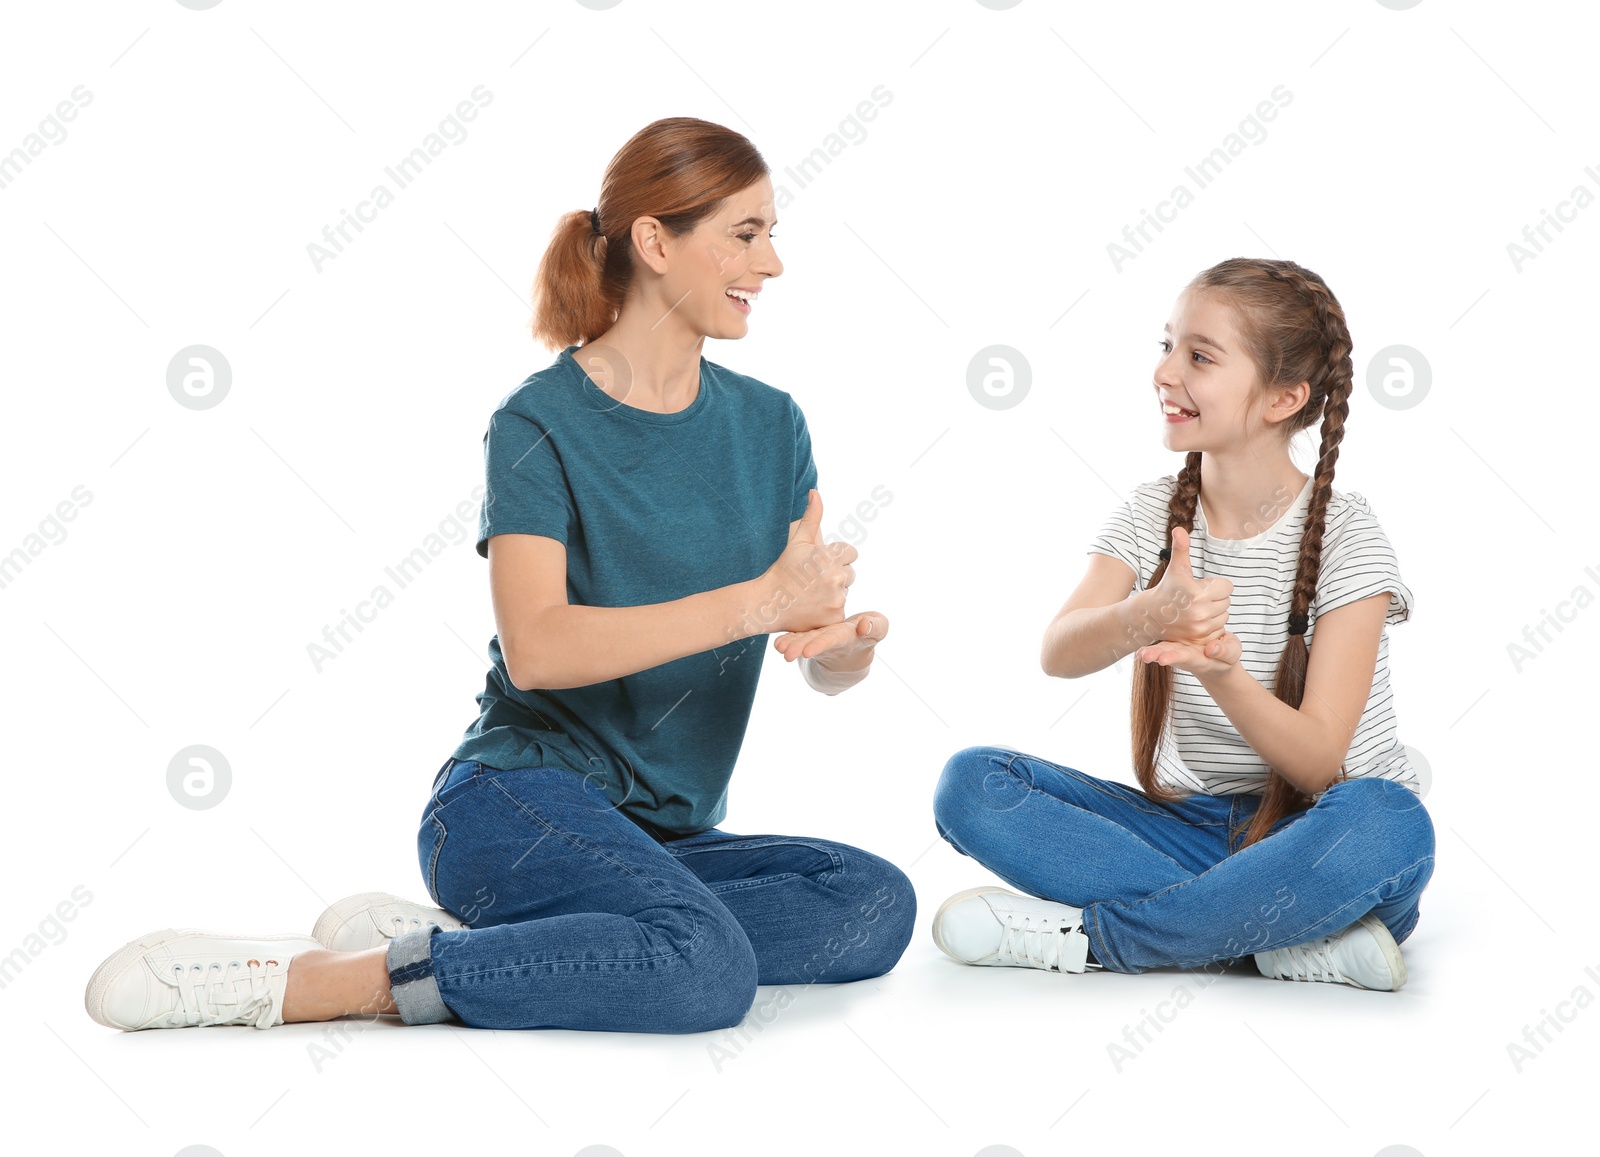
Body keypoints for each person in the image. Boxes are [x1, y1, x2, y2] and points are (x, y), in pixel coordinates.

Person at [85, 116, 915, 1033]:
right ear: (654, 241)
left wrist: (835, 650)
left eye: (771, 234)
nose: (773, 264)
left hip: (664, 833)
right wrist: (756, 603)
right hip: (513, 801)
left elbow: (800, 630)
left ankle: (519, 933)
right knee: (704, 967)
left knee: (874, 903)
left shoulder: (771, 424)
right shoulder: (540, 422)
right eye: (745, 234)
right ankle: (316, 983)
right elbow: (540, 650)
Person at [930, 257, 1434, 991]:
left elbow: (1322, 764)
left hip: (1317, 835)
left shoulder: (1349, 536)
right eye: (1165, 346)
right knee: (972, 784)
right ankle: (1272, 934)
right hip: (1190, 828)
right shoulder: (1150, 513)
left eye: (1199, 356)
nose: (1165, 373)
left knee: (1390, 819)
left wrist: (1224, 674)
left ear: (1284, 397)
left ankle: (1102, 940)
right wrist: (1148, 611)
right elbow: (1058, 652)